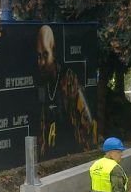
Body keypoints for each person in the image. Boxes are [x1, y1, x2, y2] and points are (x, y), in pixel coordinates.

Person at [35, 25, 97, 158]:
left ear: (54, 52)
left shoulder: (68, 82)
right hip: (52, 158)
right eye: (39, 56)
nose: (42, 62)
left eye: (45, 54)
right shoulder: (43, 83)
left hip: (72, 155)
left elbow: (86, 124)